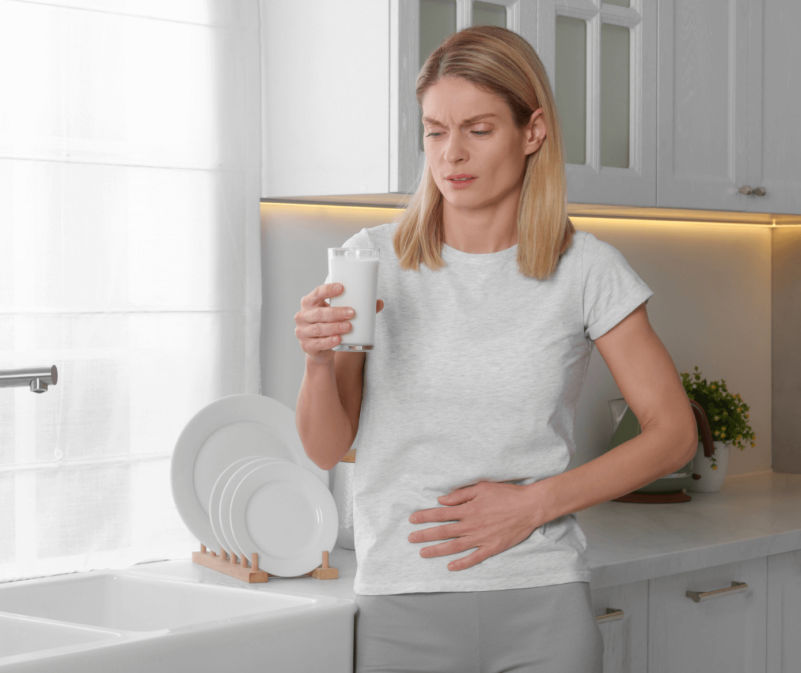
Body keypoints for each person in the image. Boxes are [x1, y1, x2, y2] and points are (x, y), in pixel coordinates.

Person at [292, 25, 698, 673]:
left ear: (532, 130)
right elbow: (325, 446)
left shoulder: (587, 269)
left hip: (542, 603)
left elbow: (675, 434)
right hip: (402, 605)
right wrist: (317, 361)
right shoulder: (372, 260)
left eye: (479, 130)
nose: (452, 153)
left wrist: (534, 503)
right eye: (435, 130)